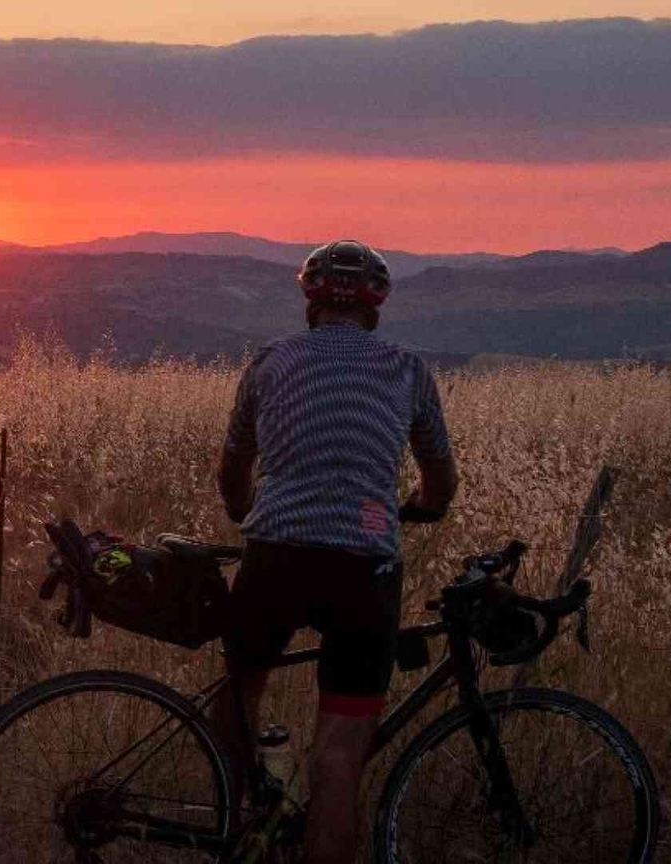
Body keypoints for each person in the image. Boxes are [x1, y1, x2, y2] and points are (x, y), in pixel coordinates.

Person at [213, 239, 457, 863]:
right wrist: (424, 504)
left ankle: (232, 817)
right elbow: (440, 477)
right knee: (340, 752)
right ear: (375, 306)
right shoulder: (406, 368)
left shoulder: (271, 361)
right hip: (363, 565)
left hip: (276, 552)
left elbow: (235, 461)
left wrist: (245, 511)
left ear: (310, 300)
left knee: (240, 690)